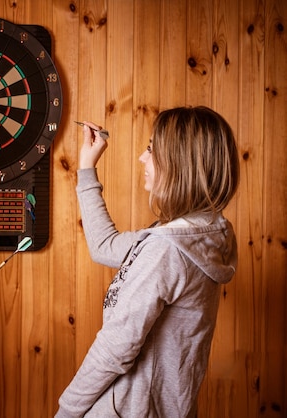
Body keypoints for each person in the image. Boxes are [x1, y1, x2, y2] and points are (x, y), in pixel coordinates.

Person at [56, 106, 240, 417]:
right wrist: (87, 168)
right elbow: (106, 246)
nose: (143, 158)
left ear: (180, 163)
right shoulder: (196, 234)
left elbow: (115, 349)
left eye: (151, 149)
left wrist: (66, 411)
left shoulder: (167, 250)